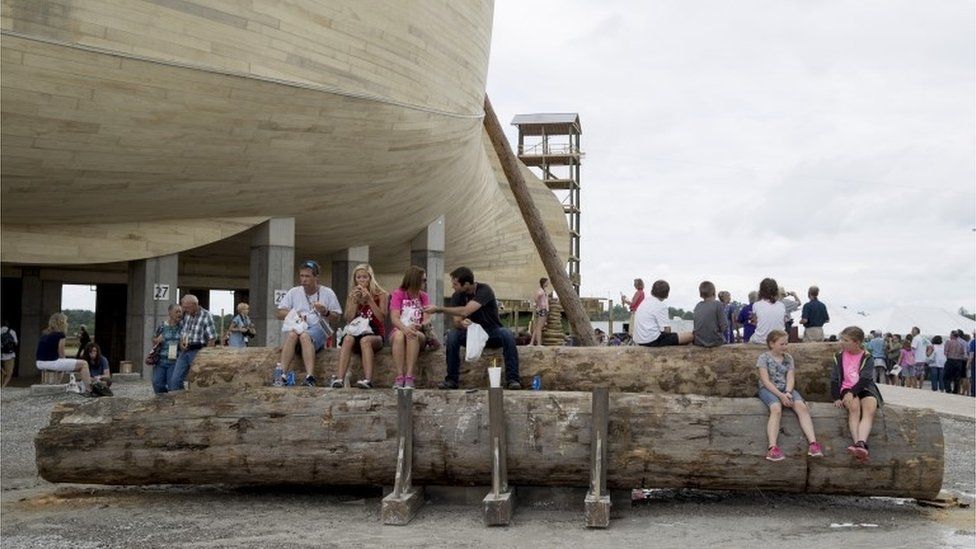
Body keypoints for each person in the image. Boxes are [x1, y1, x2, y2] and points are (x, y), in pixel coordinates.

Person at [425, 266, 521, 390]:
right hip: (472, 334)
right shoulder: (457, 296)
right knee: (452, 335)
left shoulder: (484, 290)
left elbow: (465, 310)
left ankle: (513, 379)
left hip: (491, 332)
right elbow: (456, 322)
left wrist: (439, 309)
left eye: (455, 284)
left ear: (466, 284)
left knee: (507, 334)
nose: (453, 287)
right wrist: (462, 324)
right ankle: (451, 380)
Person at [756, 330, 823, 461]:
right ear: (771, 344)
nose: (785, 347)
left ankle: (813, 444)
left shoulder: (788, 358)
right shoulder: (763, 358)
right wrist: (781, 396)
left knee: (802, 407)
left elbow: (790, 377)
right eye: (782, 344)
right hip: (769, 389)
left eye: (786, 344)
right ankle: (772, 447)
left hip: (786, 388)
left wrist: (787, 392)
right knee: (775, 409)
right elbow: (765, 380)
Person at [273, 260, 342, 387]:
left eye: (307, 276)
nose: (303, 279)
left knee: (305, 336)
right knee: (293, 334)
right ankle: (282, 374)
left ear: (316, 277)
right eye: (301, 276)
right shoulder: (294, 292)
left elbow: (337, 317)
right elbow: (279, 313)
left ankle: (310, 376)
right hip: (299, 328)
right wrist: (294, 313)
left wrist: (325, 312)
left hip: (318, 330)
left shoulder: (327, 293)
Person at [831, 326, 884, 463]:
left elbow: (865, 379)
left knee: (870, 407)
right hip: (846, 387)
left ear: (857, 342)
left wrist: (853, 392)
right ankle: (857, 443)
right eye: (842, 339)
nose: (842, 342)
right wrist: (837, 396)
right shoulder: (839, 356)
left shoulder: (867, 357)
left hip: (864, 387)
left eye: (846, 340)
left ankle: (861, 442)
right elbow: (834, 379)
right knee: (854, 408)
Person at [332, 264, 388, 389]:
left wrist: (369, 300)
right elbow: (348, 319)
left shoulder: (381, 294)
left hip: (375, 333)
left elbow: (382, 317)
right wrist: (353, 302)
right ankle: (339, 378)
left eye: (365, 277)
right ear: (355, 279)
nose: (362, 280)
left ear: (370, 278)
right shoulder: (352, 294)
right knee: (347, 339)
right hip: (357, 331)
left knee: (365, 341)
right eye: (359, 277)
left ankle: (368, 379)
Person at [390, 266, 430, 389]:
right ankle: (399, 376)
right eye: (423, 280)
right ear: (415, 280)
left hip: (418, 332)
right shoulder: (398, 294)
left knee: (413, 335)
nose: (425, 283)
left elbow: (427, 318)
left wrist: (420, 325)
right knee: (399, 335)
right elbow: (394, 318)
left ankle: (409, 376)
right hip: (401, 329)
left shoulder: (424, 296)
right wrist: (405, 328)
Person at [35, 312, 93, 394]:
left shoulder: (45, 333)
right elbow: (62, 355)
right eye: (66, 321)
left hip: (39, 362)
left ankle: (57, 386)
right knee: (84, 364)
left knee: (62, 366)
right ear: (61, 322)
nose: (67, 323)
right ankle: (89, 390)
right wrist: (68, 366)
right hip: (50, 362)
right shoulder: (60, 335)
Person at [170, 294, 216, 392]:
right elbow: (181, 331)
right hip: (184, 351)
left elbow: (212, 339)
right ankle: (180, 402)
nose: (184, 310)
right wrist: (181, 343)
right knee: (175, 381)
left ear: (194, 305)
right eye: (183, 307)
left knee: (197, 381)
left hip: (198, 352)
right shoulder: (186, 315)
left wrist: (206, 357)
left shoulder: (206, 316)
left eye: (186, 307)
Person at [633, 280, 692, 347]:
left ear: (652, 290)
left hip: (638, 340)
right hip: (652, 341)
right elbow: (667, 331)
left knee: (675, 335)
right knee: (690, 336)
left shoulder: (645, 301)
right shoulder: (661, 306)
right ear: (667, 295)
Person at [151, 303, 183, 394]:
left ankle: (175, 403)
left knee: (173, 385)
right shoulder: (161, 326)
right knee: (157, 383)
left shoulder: (182, 327)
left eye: (180, 312)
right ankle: (163, 402)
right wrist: (157, 340)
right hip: (161, 361)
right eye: (177, 312)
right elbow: (153, 339)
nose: (179, 314)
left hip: (175, 362)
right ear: (170, 313)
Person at [749, 278, 785, 344]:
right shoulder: (781, 305)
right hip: (779, 339)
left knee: (751, 339)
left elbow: (756, 323)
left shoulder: (756, 305)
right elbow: (783, 321)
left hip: (761, 340)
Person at [692, 281, 727, 347]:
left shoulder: (697, 306)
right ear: (714, 292)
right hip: (714, 342)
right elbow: (723, 327)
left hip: (698, 341)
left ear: (700, 294)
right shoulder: (718, 304)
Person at [943, 330, 967, 395]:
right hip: (959, 361)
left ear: (952, 335)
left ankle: (948, 389)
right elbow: (963, 353)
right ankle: (955, 390)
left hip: (950, 360)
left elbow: (945, 352)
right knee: (957, 377)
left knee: (947, 376)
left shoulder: (948, 342)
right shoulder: (961, 343)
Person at [530, 278, 550, 346]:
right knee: (539, 328)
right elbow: (536, 298)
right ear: (544, 283)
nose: (548, 283)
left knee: (537, 327)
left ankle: (531, 343)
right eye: (547, 282)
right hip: (543, 309)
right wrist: (539, 305)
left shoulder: (544, 291)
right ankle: (539, 344)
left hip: (543, 309)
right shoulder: (541, 291)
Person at [1, 320, 18, 388]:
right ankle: (3, 386)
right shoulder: (12, 332)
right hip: (9, 356)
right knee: (9, 373)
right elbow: (16, 343)